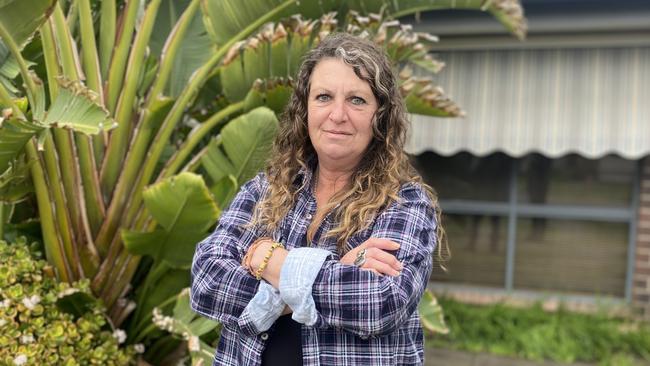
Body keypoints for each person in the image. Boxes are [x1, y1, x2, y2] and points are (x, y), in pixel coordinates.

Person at [190, 32, 444, 366]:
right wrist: (338, 270)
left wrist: (270, 261)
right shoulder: (264, 191)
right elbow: (207, 280)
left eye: (357, 100)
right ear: (305, 109)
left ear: (380, 116)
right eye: (324, 97)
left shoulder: (405, 204)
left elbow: (381, 302)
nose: (338, 115)